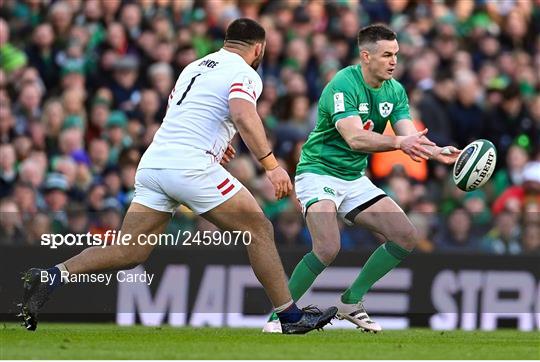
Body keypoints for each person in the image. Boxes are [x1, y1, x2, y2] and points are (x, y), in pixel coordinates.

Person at [19, 18, 336, 334]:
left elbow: (189, 114)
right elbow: (242, 112)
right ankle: (290, 318)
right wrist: (270, 164)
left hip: (155, 163)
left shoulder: (194, 67)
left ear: (227, 41)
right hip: (190, 167)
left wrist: (218, 143)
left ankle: (51, 275)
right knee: (258, 228)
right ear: (259, 48)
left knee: (130, 250)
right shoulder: (245, 72)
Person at [263, 24, 460, 333]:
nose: (394, 61)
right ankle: (279, 318)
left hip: (354, 178)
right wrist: (398, 143)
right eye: (386, 55)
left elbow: (410, 135)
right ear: (366, 56)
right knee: (327, 247)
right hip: (318, 171)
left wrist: (437, 152)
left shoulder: (395, 90)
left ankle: (351, 301)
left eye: (396, 54)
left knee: (406, 235)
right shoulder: (343, 83)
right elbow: (355, 138)